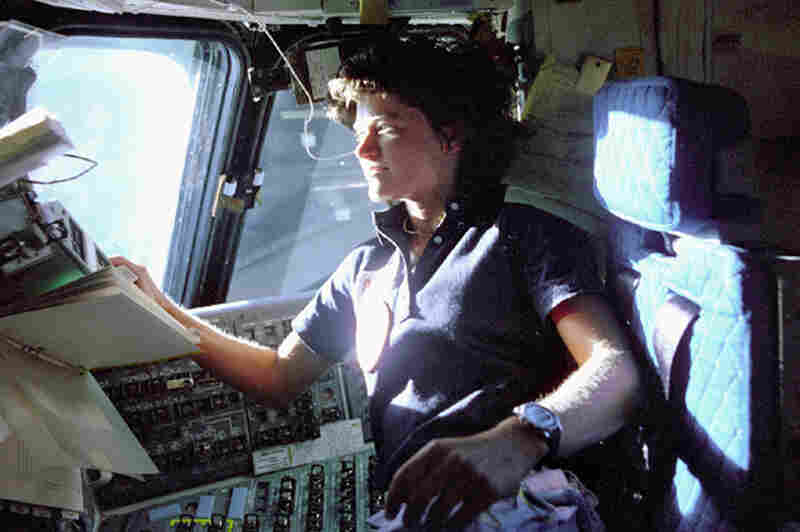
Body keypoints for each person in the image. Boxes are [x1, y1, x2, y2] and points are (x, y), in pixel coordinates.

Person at [112, 35, 641, 530]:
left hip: (525, 496)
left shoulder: (525, 236)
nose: (362, 150)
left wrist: (521, 437)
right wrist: (159, 307)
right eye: (358, 131)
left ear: (451, 134)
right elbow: (278, 377)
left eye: (385, 127)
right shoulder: (364, 267)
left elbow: (615, 373)